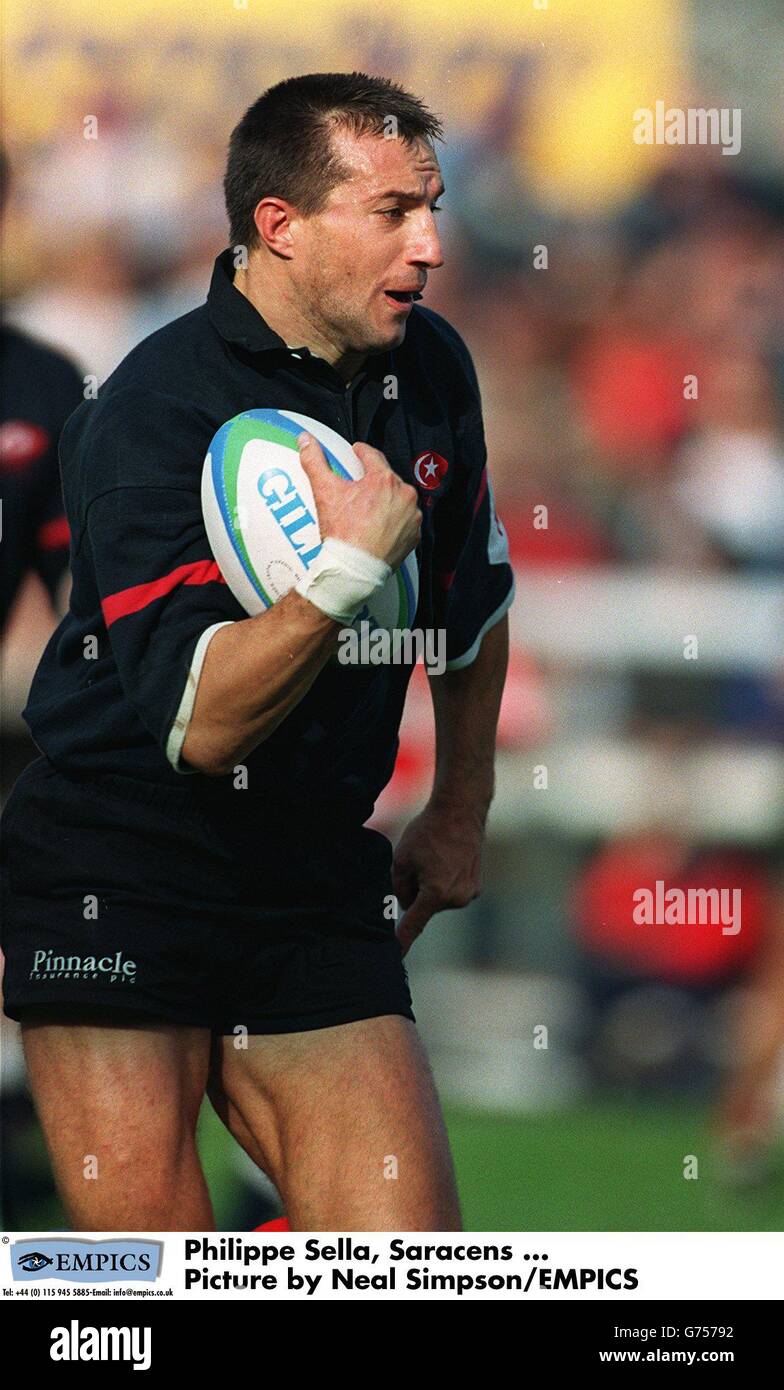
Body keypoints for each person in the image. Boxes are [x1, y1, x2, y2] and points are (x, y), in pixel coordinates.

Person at [0, 72, 514, 1232]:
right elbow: (203, 727)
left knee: (405, 1267)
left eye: (431, 206)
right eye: (393, 212)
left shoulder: (431, 369)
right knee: (154, 1283)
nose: (431, 245)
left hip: (311, 872)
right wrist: (341, 574)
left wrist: (461, 804)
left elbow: (474, 607)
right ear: (278, 226)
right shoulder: (150, 411)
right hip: (117, 871)